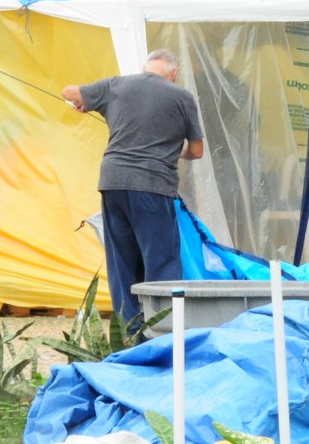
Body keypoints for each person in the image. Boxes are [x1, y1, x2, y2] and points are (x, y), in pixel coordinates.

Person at [62, 50, 205, 323]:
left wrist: (82, 102)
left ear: (146, 67)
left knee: (122, 261)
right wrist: (174, 148)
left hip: (112, 182)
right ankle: (163, 329)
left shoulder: (115, 85)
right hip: (153, 185)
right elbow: (196, 151)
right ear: (173, 73)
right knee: (160, 260)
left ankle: (128, 332)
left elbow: (68, 92)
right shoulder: (182, 96)